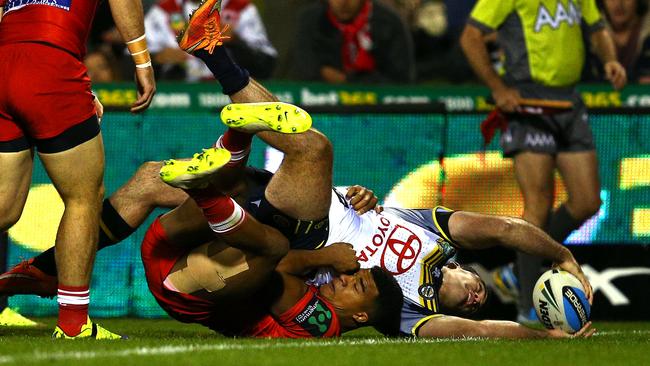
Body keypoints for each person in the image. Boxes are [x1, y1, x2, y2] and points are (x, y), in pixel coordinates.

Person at [1, 0, 595, 339]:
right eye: (478, 291)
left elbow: (482, 334)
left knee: (312, 147)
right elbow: (506, 229)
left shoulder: (409, 309)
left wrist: (546, 337)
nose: (472, 299)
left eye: (474, 302)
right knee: (147, 181)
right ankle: (46, 272)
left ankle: (220, 80)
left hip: (303, 234)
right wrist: (562, 256)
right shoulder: (434, 230)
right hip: (311, 204)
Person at [460, 0, 627, 323]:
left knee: (587, 201)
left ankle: (518, 268)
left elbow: (597, 28)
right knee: (537, 204)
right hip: (526, 101)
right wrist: (498, 87)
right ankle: (526, 307)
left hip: (568, 100)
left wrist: (610, 60)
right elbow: (470, 36)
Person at [0, 0, 156, 339]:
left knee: (4, 209)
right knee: (83, 198)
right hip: (51, 59)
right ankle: (74, 324)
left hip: (4, 61)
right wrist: (142, 61)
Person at [142, 144, 403, 337]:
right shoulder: (321, 289)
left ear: (360, 316)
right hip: (173, 253)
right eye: (355, 277)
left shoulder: (324, 325)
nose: (345, 278)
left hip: (186, 294)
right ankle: (236, 138)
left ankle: (205, 183)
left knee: (275, 245)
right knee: (240, 197)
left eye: (356, 287)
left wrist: (325, 256)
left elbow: (277, 267)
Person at [145, 0, 277, 81]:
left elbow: (266, 66)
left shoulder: (240, 8)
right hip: (180, 99)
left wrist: (235, 41)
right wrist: (156, 59)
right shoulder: (164, 10)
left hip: (232, 96)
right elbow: (131, 64)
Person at [290, 0, 415, 84]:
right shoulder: (311, 19)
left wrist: (348, 80)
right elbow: (304, 66)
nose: (344, 3)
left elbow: (401, 78)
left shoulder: (389, 22)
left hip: (378, 109)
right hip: (324, 105)